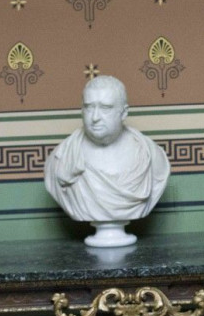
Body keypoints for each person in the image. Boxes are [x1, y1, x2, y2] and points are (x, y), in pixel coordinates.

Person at [45, 75, 170, 222]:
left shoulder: (150, 154)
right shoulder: (61, 158)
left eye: (105, 108)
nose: (95, 117)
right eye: (89, 107)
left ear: (124, 113)